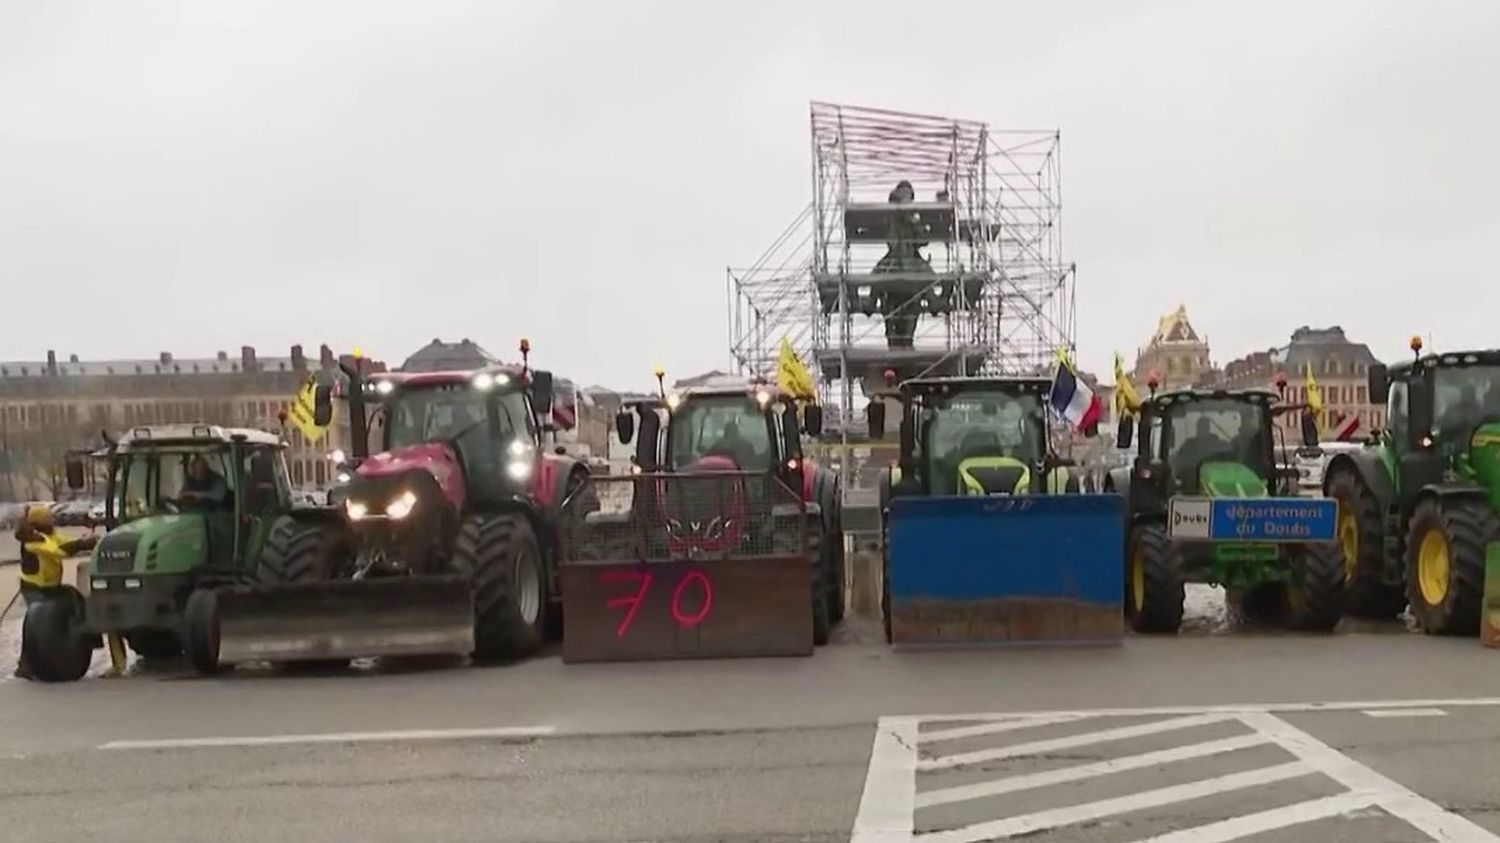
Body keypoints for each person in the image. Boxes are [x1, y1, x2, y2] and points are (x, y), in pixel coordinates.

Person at [14, 504, 97, 679]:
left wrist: (83, 542)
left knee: (67, 601)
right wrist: (82, 544)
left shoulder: (50, 535)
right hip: (34, 587)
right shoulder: (32, 541)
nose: (52, 520)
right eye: (48, 518)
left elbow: (64, 542)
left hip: (51, 586)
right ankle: (25, 665)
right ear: (39, 522)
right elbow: (58, 551)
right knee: (34, 622)